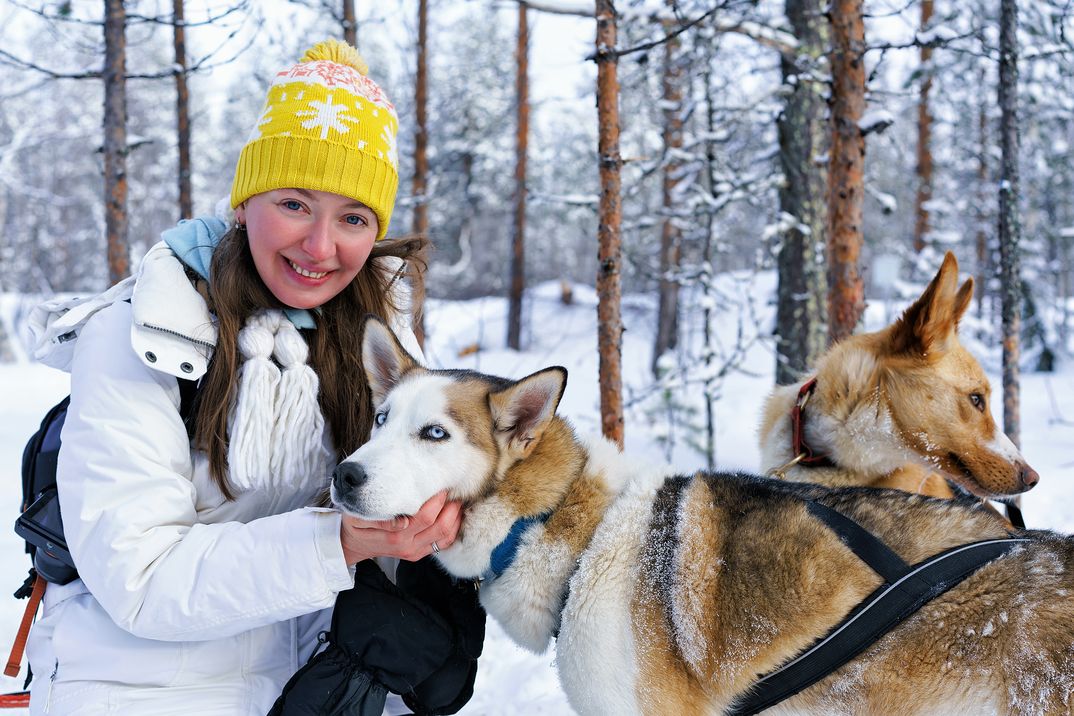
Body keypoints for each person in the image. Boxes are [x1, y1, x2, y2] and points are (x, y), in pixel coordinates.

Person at [25, 39, 481, 715]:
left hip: (311, 687)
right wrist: (342, 542)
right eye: (295, 204)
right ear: (245, 200)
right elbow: (141, 580)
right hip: (140, 689)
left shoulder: (378, 338)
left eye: (352, 218)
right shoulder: (140, 333)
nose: (320, 248)